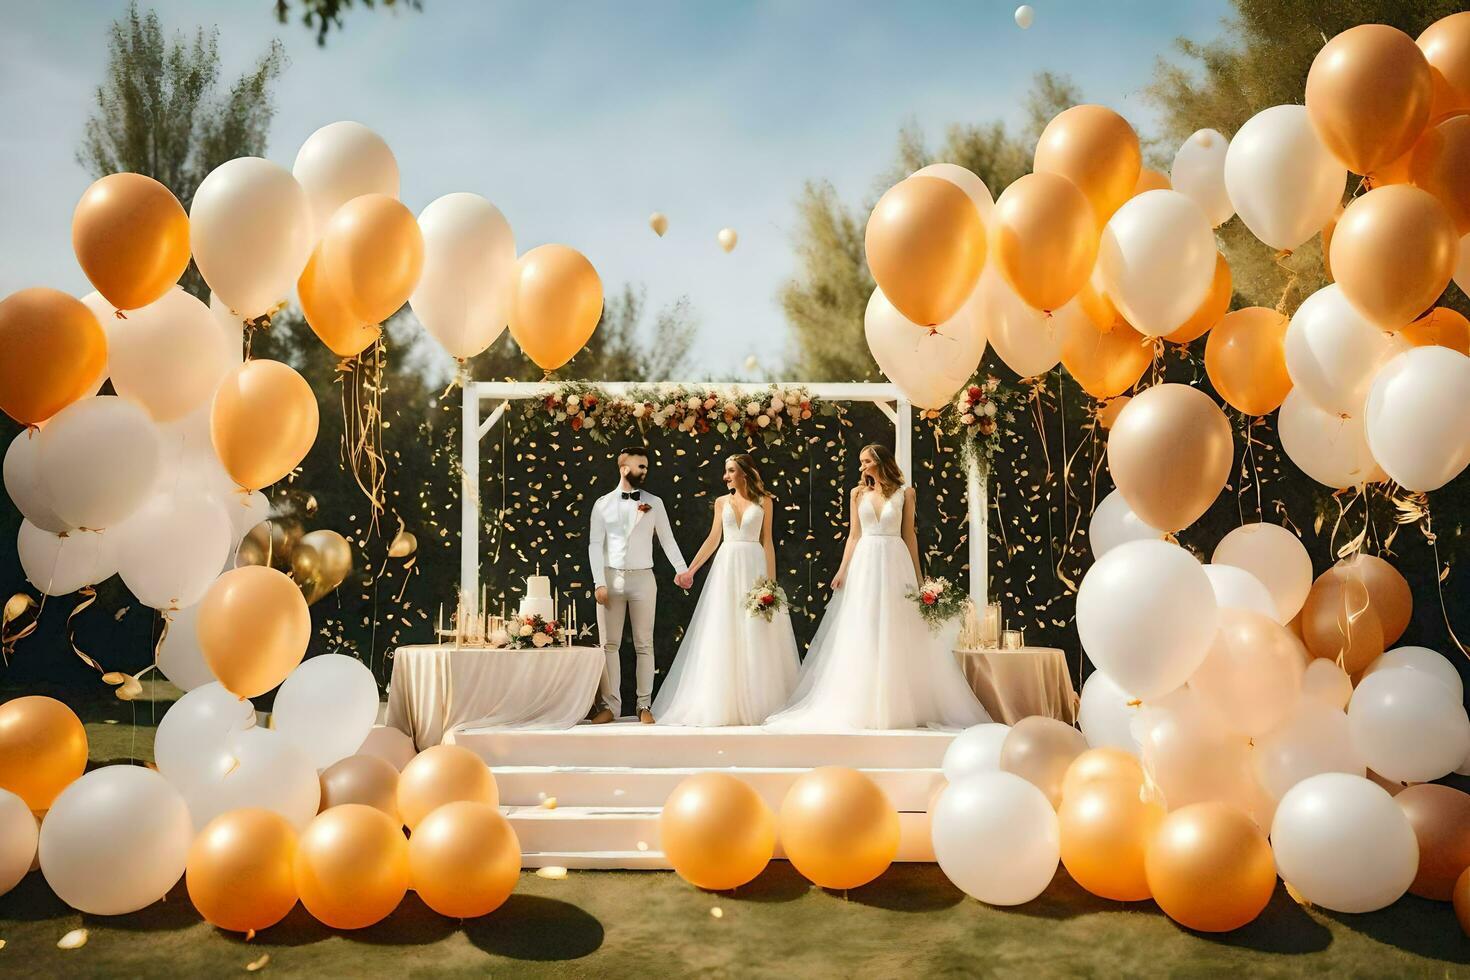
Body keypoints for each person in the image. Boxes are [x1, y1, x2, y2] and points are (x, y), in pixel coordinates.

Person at [765, 444, 990, 731]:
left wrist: (920, 581)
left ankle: (900, 700)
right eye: (861, 462)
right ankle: (863, 698)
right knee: (865, 626)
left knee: (898, 627)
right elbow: (853, 536)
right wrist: (842, 570)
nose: (862, 467)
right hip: (866, 564)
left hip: (896, 561)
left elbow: (910, 536)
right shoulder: (857, 494)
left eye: (866, 461)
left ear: (881, 462)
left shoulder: (904, 493)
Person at [653, 454, 800, 727]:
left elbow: (767, 542)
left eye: (731, 470)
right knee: (725, 628)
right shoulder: (722, 503)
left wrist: (770, 583)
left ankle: (761, 701)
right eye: (726, 471)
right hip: (727, 566)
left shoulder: (764, 501)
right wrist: (691, 570)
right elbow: (713, 539)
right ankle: (724, 702)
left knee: (756, 629)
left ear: (745, 472)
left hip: (754, 565)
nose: (726, 476)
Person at [587, 446, 689, 724]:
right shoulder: (602, 504)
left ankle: (644, 705)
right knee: (609, 645)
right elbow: (595, 545)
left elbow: (668, 540)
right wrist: (599, 582)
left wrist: (683, 570)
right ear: (624, 468)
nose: (645, 471)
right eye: (640, 466)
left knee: (645, 644)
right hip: (610, 576)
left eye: (646, 466)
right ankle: (611, 706)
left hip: (644, 578)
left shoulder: (654, 502)